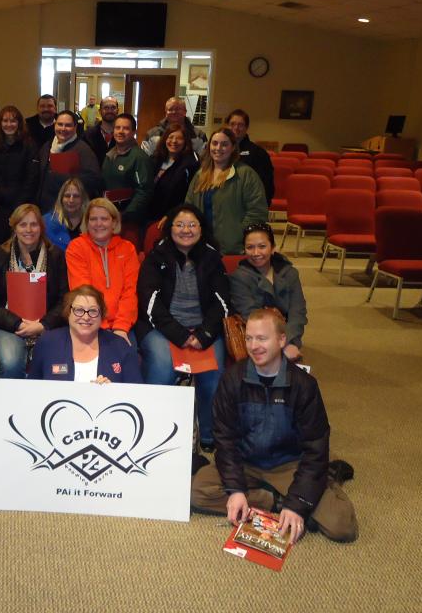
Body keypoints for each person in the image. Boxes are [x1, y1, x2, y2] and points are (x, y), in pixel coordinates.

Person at [191, 309, 358, 543]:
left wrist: (298, 504)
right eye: (249, 338)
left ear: (281, 340)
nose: (253, 346)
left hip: (288, 465)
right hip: (246, 462)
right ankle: (275, 501)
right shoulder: (232, 379)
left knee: (342, 526)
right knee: (197, 493)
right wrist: (236, 490)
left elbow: (315, 448)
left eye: (262, 338)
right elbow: (225, 440)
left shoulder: (304, 386)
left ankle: (326, 476)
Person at [136, 203, 229, 452]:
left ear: (201, 228)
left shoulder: (212, 257)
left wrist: (204, 334)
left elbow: (222, 301)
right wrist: (179, 335)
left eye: (192, 224)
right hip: (161, 328)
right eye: (179, 224)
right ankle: (154, 430)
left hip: (203, 329)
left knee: (213, 375)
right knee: (163, 369)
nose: (185, 230)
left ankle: (208, 434)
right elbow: (149, 301)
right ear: (170, 229)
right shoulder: (156, 257)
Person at [0, 204, 68, 379]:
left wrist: (43, 324)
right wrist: (18, 324)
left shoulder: (56, 256)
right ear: (14, 227)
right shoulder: (0, 255)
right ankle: (10, 407)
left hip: (47, 325)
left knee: (58, 365)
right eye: (23, 224)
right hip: (10, 326)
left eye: (34, 224)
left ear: (41, 227)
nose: (29, 230)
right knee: (11, 362)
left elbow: (64, 299)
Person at [29, 285, 142, 383]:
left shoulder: (120, 346)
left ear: (101, 315)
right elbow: (32, 390)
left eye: (93, 311)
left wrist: (112, 391)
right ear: (68, 313)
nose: (86, 317)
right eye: (79, 310)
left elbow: (135, 394)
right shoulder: (48, 343)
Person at [65, 198, 139, 344]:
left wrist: (121, 327)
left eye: (104, 219)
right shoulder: (76, 248)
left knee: (128, 358)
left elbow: (130, 292)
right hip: (88, 323)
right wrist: (101, 327)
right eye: (93, 219)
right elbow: (83, 293)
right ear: (86, 223)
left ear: (114, 223)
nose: (98, 224)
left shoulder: (128, 249)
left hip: (123, 325)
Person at [230, 223, 308, 361]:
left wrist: (288, 341)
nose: (256, 253)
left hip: (287, 334)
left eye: (262, 246)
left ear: (273, 248)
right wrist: (281, 346)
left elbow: (298, 311)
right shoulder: (239, 277)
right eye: (250, 247)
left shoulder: (290, 273)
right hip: (256, 337)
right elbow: (250, 315)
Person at [185, 128, 268, 255]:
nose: (218, 148)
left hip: (233, 249)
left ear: (233, 147)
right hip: (202, 245)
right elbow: (189, 207)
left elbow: (257, 212)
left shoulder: (246, 174)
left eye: (224, 144)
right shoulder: (200, 175)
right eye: (214, 143)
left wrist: (238, 235)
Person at [36, 110, 102, 211]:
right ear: (54, 125)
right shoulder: (47, 147)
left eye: (68, 125)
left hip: (69, 210)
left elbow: (93, 180)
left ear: (75, 127)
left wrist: (64, 178)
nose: (63, 128)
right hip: (45, 208)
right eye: (60, 124)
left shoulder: (83, 150)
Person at [0, 104, 39, 211]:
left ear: (19, 123)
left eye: (13, 121)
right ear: (0, 123)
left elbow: (32, 177)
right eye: (5, 121)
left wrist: (20, 203)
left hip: (22, 203)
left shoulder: (29, 145)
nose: (9, 124)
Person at [101, 112, 152, 228]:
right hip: (109, 215)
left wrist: (125, 215)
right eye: (117, 128)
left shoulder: (139, 157)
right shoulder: (110, 155)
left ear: (133, 132)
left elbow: (144, 191)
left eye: (126, 128)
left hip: (129, 221)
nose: (120, 131)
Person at [148, 122, 200, 222]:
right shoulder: (155, 159)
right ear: (165, 139)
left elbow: (188, 197)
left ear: (185, 142)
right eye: (170, 137)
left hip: (173, 217)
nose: (174, 141)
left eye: (179, 138)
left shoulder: (190, 165)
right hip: (150, 215)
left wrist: (171, 215)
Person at [227, 108, 274, 206]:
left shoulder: (258, 153)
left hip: (249, 205)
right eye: (232, 124)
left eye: (240, 125)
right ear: (227, 126)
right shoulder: (220, 151)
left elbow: (266, 185)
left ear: (246, 127)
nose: (236, 128)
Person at [43, 177, 89, 251]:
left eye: (76, 196)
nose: (71, 200)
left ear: (83, 199)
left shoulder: (92, 223)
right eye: (67, 196)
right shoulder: (45, 223)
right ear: (61, 198)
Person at [84, 96, 118, 166]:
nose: (110, 111)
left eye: (113, 107)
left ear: (118, 110)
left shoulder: (124, 136)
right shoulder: (87, 135)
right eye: (106, 108)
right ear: (100, 111)